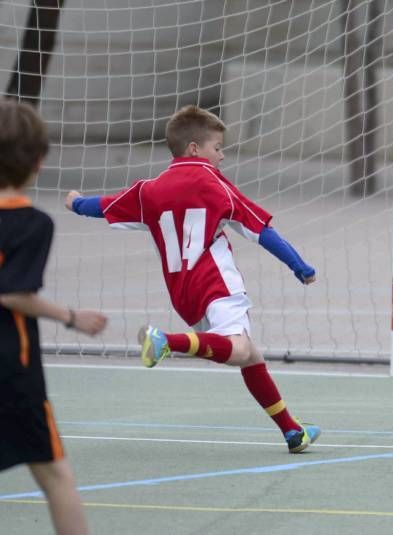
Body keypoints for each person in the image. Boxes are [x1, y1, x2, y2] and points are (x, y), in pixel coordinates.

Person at [65, 105, 320, 453]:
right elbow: (259, 229)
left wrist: (77, 203)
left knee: (251, 356)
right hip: (216, 283)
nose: (222, 156)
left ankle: (292, 431)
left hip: (182, 292)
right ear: (195, 149)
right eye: (218, 148)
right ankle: (166, 340)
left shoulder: (148, 191)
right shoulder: (214, 184)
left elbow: (104, 205)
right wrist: (299, 265)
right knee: (240, 348)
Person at [0, 99, 108, 535]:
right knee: (56, 476)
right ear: (39, 162)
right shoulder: (33, 223)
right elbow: (13, 294)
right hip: (13, 369)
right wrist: (71, 316)